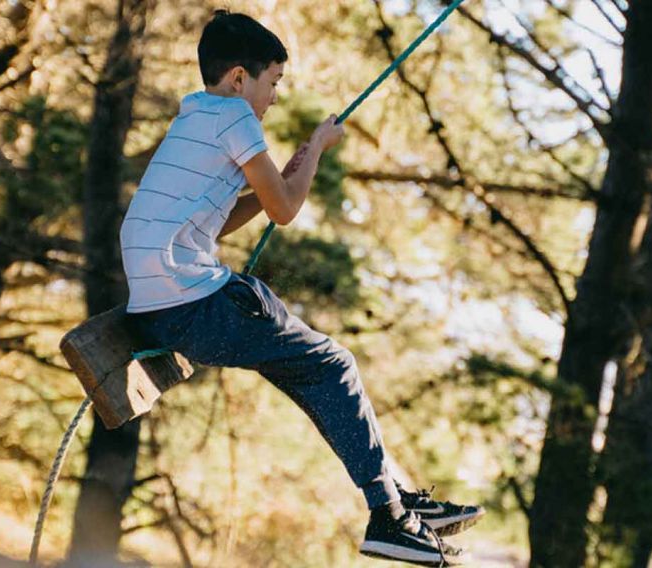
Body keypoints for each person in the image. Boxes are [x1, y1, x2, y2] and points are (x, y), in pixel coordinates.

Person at [119, 9, 480, 566]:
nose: (274, 97)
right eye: (273, 83)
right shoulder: (238, 120)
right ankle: (389, 514)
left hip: (167, 305)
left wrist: (284, 177)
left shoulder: (193, 117)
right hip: (193, 307)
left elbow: (222, 220)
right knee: (333, 365)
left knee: (315, 370)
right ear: (240, 78)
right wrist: (315, 149)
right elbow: (285, 210)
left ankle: (395, 499)